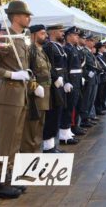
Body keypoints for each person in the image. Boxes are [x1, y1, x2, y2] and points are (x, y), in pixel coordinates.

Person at [0, 0, 33, 199]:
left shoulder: (21, 38)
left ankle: (9, 177)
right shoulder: (5, 38)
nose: (29, 18)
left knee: (15, 140)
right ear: (15, 17)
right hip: (7, 95)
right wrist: (11, 74)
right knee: (5, 141)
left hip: (20, 95)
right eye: (26, 15)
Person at [21, 24, 51, 153]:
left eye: (45, 33)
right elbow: (26, 72)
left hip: (44, 95)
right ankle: (29, 156)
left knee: (39, 127)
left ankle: (36, 154)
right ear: (33, 35)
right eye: (42, 33)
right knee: (31, 129)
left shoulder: (40, 50)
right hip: (34, 95)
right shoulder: (30, 51)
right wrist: (35, 86)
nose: (46, 36)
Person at [42, 24, 67, 153]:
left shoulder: (58, 47)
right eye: (60, 31)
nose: (63, 33)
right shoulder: (49, 47)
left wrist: (64, 79)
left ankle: (52, 145)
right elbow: (48, 65)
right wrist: (55, 78)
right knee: (52, 114)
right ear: (52, 32)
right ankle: (48, 146)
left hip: (60, 82)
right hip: (53, 84)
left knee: (58, 112)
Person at [60, 27, 83, 145]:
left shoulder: (73, 48)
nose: (77, 37)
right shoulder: (66, 49)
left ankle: (68, 132)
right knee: (68, 109)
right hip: (71, 82)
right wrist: (66, 81)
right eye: (75, 35)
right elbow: (65, 68)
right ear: (68, 36)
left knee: (73, 107)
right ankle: (64, 135)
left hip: (76, 81)